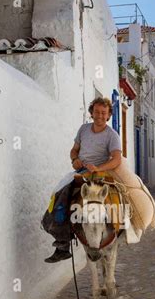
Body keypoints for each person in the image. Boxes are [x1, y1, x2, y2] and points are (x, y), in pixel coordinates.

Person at [42, 96, 122, 262]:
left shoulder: (112, 135)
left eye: (103, 113)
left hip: (101, 175)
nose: (100, 116)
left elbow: (116, 159)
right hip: (80, 173)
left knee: (118, 200)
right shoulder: (83, 130)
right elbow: (74, 150)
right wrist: (75, 160)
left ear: (108, 116)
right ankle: (62, 244)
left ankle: (121, 230)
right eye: (97, 112)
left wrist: (98, 168)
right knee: (60, 198)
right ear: (91, 113)